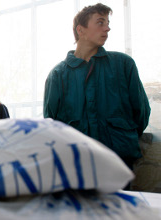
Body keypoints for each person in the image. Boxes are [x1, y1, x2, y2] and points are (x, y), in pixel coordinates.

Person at [43, 3, 150, 170]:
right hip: (76, 164)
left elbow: (141, 112)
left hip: (118, 161)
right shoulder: (58, 75)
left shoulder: (123, 65)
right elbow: (51, 124)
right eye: (101, 22)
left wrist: (123, 139)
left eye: (108, 23)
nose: (107, 28)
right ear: (81, 30)